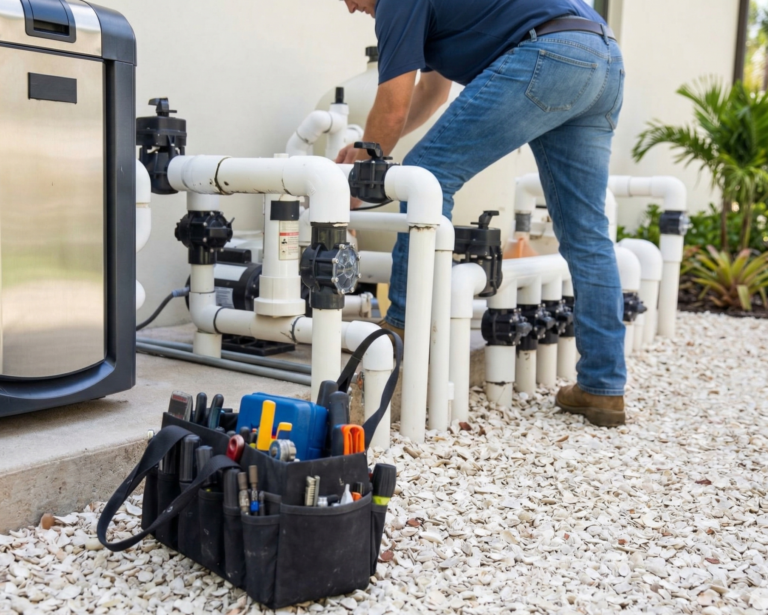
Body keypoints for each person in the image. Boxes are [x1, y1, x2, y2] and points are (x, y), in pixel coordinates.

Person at [337, 0, 627, 427]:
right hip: (603, 58)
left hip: (550, 54)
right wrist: (373, 151)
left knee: (426, 178)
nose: (348, 7)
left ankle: (400, 336)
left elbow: (394, 104)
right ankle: (602, 389)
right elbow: (429, 96)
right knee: (587, 235)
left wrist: (362, 172)